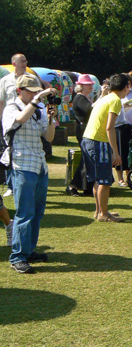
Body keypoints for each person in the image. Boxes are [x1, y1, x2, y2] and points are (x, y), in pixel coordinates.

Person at [2, 74, 57, 274]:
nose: (36, 94)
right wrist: (38, 99)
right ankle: (18, 256)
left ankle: (29, 250)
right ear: (19, 91)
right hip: (22, 165)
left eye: (37, 90)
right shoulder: (11, 108)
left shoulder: (39, 109)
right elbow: (20, 119)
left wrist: (51, 117)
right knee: (24, 213)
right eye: (31, 91)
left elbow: (49, 137)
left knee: (37, 212)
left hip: (40, 165)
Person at [81, 73, 129, 223]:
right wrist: (115, 152)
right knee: (105, 180)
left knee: (97, 179)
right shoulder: (115, 100)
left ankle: (100, 210)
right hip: (98, 142)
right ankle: (103, 214)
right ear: (126, 87)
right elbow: (109, 128)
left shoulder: (107, 97)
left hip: (88, 139)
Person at [0, 53, 30, 197]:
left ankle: (28, 181)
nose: (24, 63)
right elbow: (1, 101)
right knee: (9, 151)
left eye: (25, 61)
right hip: (10, 120)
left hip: (28, 119)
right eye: (21, 61)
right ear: (14, 64)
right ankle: (11, 185)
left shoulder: (31, 79)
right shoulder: (5, 80)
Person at [67, 74, 96, 196]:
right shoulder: (80, 98)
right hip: (84, 130)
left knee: (88, 159)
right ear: (81, 86)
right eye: (87, 85)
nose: (90, 87)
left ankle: (87, 186)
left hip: (87, 129)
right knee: (86, 158)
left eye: (91, 85)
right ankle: (74, 185)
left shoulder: (84, 97)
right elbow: (90, 110)